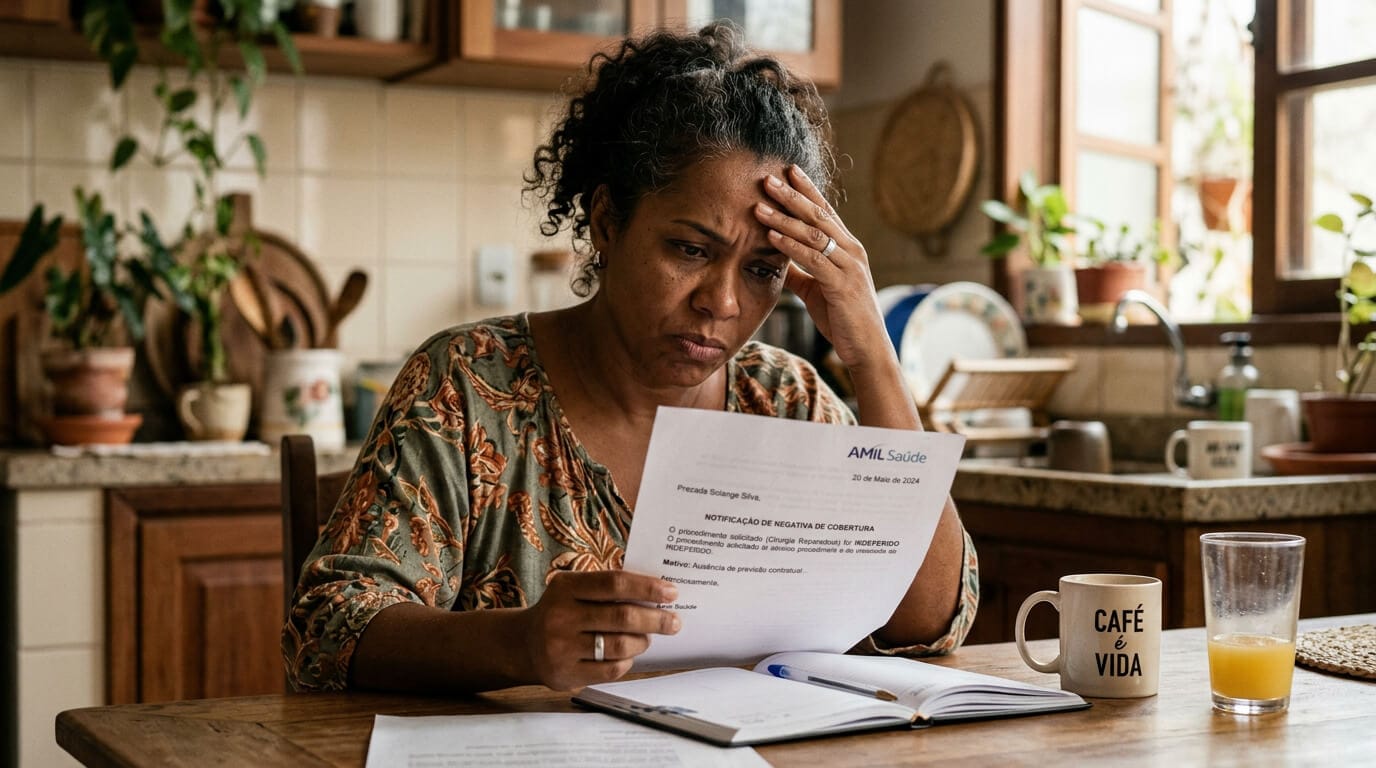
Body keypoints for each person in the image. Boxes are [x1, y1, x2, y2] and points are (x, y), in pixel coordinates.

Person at [283, 21, 978, 694]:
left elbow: (928, 624)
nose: (721, 302)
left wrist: (872, 355)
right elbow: (328, 627)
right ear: (607, 223)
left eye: (763, 270)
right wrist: (519, 643)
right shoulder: (466, 385)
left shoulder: (786, 400)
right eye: (690, 249)